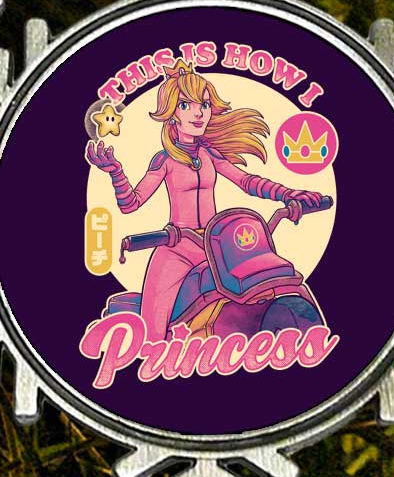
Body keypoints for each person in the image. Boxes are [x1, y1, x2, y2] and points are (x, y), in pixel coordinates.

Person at [86, 59, 324, 340]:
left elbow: (246, 181)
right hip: (177, 247)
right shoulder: (165, 161)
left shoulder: (210, 155)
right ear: (172, 114)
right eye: (186, 105)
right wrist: (115, 172)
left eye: (205, 105)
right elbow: (131, 203)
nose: (198, 113)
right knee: (153, 332)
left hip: (218, 248)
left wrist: (287, 194)